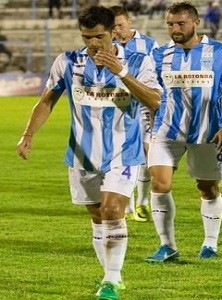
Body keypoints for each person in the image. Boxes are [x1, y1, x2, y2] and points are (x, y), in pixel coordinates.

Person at [16, 6, 161, 299]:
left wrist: (121, 72)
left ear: (113, 32)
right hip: (82, 153)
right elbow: (47, 101)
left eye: (99, 37)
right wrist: (28, 133)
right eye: (87, 37)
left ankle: (111, 280)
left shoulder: (138, 60)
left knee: (112, 210)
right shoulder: (68, 62)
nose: (93, 43)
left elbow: (155, 100)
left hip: (124, 150)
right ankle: (111, 276)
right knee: (97, 216)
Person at [145, 2, 222, 262]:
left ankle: (210, 243)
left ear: (195, 23)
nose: (174, 29)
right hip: (166, 130)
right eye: (170, 24)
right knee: (159, 183)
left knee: (207, 188)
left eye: (180, 24)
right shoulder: (159, 55)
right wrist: (146, 132)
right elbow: (150, 95)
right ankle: (167, 246)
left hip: (209, 131)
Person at [111, 5, 160, 223]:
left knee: (147, 152)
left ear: (130, 21)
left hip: (143, 105)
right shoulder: (107, 46)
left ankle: (142, 202)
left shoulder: (149, 45)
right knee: (121, 155)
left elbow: (157, 74)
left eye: (120, 25)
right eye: (113, 27)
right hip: (118, 106)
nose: (117, 31)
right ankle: (128, 205)